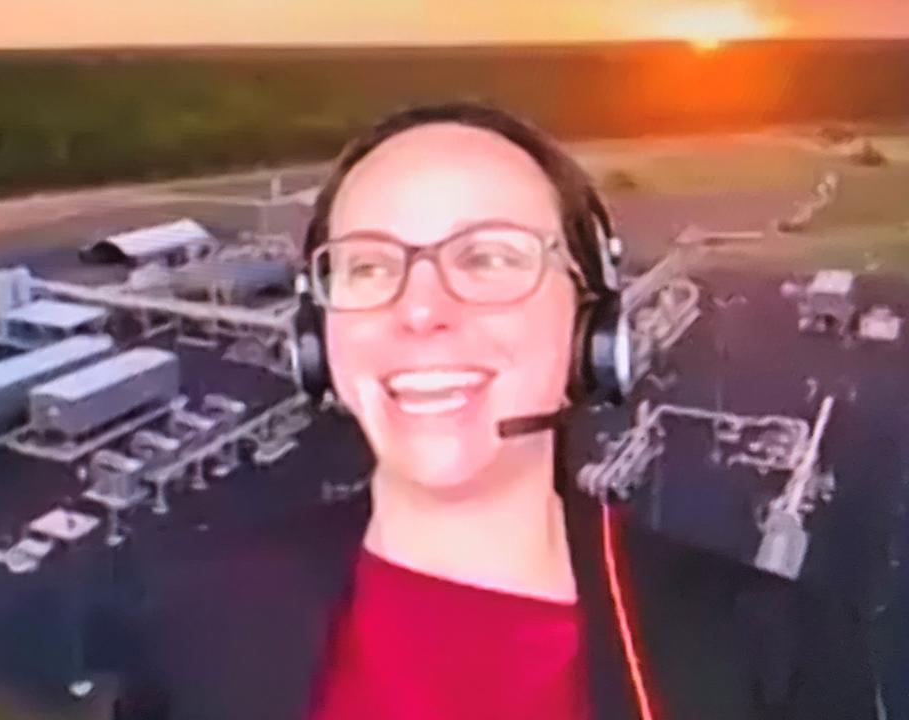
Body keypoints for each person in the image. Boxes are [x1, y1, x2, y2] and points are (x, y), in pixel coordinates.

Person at [109, 103, 881, 720]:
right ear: (318, 338)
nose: (420, 311)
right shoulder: (192, 621)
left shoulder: (773, 654)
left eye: (489, 258)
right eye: (371, 266)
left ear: (592, 328)